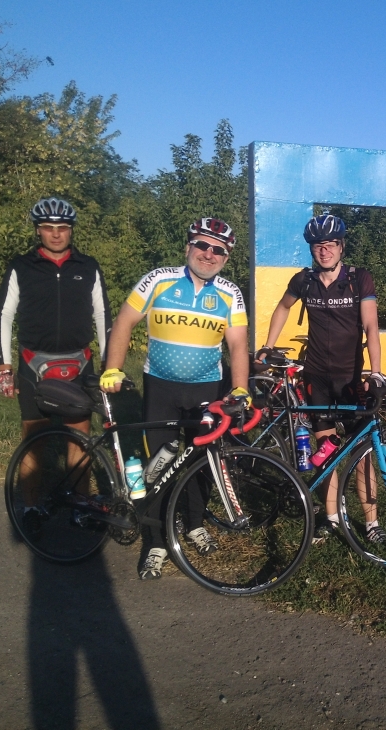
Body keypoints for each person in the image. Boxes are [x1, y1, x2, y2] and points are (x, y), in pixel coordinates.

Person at [99, 217, 250, 580]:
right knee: (158, 465)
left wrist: (239, 388)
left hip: (207, 389)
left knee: (202, 460)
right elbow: (124, 322)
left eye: (218, 250)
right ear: (188, 247)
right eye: (202, 245)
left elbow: (237, 345)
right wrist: (113, 368)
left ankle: (194, 524)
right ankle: (155, 541)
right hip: (161, 388)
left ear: (226, 258)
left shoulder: (230, 293)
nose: (209, 254)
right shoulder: (159, 279)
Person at [260, 211, 386, 544]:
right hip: (317, 378)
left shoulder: (359, 279)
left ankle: (371, 522)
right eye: (317, 245)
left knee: (362, 454)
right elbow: (283, 307)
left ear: (341, 246)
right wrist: (268, 345)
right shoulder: (304, 281)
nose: (324, 250)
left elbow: (371, 326)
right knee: (325, 451)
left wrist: (375, 372)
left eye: (330, 244)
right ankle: (331, 518)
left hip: (351, 380)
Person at [0, 197, 112, 535]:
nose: (56, 234)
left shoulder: (87, 266)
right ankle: (31, 507)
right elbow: (4, 315)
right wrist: (4, 366)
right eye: (48, 228)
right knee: (34, 439)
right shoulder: (22, 266)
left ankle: (79, 507)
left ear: (71, 230)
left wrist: (109, 365)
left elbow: (103, 315)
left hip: (79, 362)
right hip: (33, 364)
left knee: (80, 439)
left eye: (62, 228)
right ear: (38, 230)